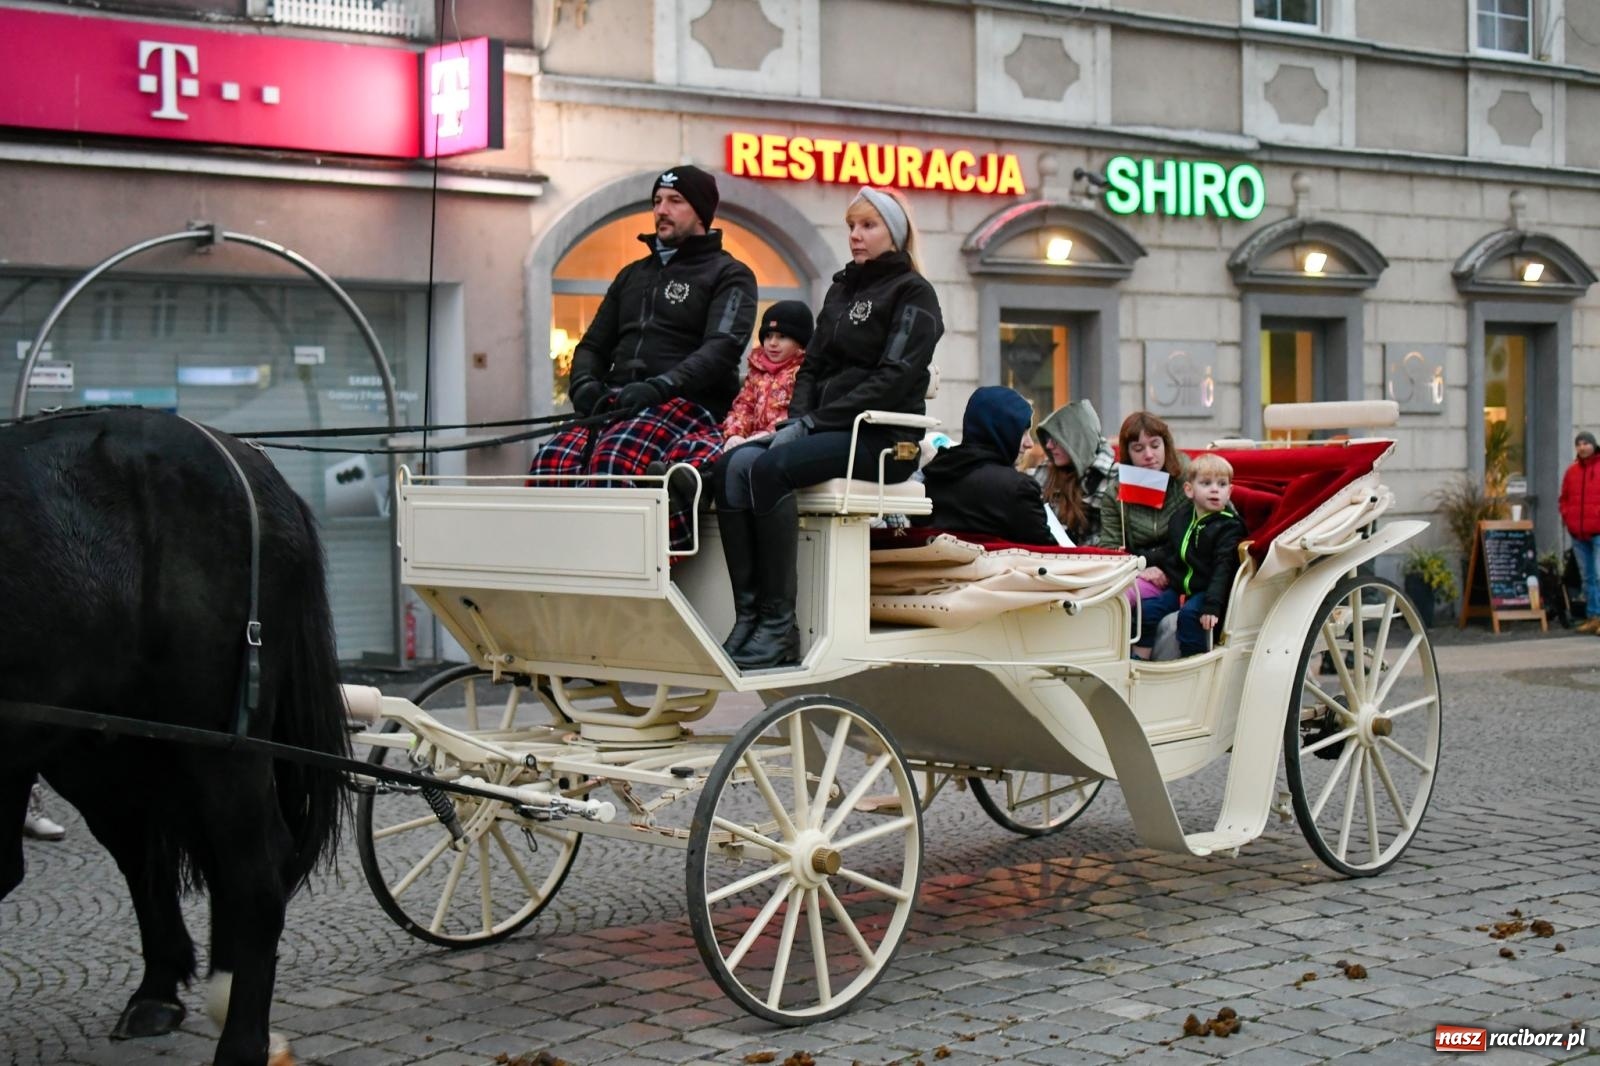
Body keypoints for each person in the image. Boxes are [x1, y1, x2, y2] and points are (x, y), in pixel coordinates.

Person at [715, 186, 942, 669]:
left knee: (770, 467)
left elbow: (894, 378)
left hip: (883, 440)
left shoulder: (913, 293)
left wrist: (813, 422)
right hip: (829, 430)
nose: (855, 236)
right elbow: (812, 367)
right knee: (733, 466)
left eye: (867, 226)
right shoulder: (842, 289)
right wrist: (798, 420)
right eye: (851, 227)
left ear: (894, 233)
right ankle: (749, 617)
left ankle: (779, 627)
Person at [530, 165, 757, 548]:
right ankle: (555, 566)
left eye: (675, 201)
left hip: (687, 404)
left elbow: (721, 349)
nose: (661, 210)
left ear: (700, 212)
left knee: (614, 461)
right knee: (550, 461)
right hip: (621, 403)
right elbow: (592, 345)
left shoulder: (730, 274)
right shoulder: (631, 275)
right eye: (656, 201)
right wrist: (584, 385)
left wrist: (660, 387)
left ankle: (625, 567)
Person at [1138, 453, 1247, 659]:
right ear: (1189, 490)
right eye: (1206, 483)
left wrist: (1212, 607)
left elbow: (1223, 569)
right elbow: (1170, 552)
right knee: (1148, 611)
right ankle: (1140, 662)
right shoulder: (1181, 519)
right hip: (1180, 588)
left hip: (1207, 591)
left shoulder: (1229, 526)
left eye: (1222, 484)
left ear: (1229, 492)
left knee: (1190, 616)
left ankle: (1193, 663)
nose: (1215, 489)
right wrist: (1141, 559)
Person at [917, 387, 1056, 545]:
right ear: (1001, 430)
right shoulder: (1018, 488)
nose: (1029, 444)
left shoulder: (934, 476)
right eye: (1022, 433)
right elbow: (1047, 552)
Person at [1100, 411, 1191, 624]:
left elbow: (1216, 520)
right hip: (1139, 572)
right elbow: (1110, 548)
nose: (1149, 455)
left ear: (1166, 446)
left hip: (1183, 569)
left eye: (1155, 445)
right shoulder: (1115, 494)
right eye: (1138, 449)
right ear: (1128, 453)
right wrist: (1140, 569)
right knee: (1110, 597)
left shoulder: (1186, 474)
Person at [1034, 399, 1115, 545]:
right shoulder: (1045, 472)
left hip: (1097, 564)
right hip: (1050, 562)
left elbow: (1115, 537)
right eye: (1047, 438)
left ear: (1078, 440)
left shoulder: (1113, 476)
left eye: (1057, 439)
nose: (1048, 445)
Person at [1559, 429, 1600, 633]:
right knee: (1587, 577)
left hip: (1598, 531)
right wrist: (1567, 517)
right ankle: (1594, 616)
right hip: (1578, 533)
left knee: (1599, 574)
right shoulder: (1572, 472)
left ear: (1594, 445)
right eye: (1579, 444)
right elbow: (1564, 498)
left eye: (1586, 443)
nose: (1582, 447)